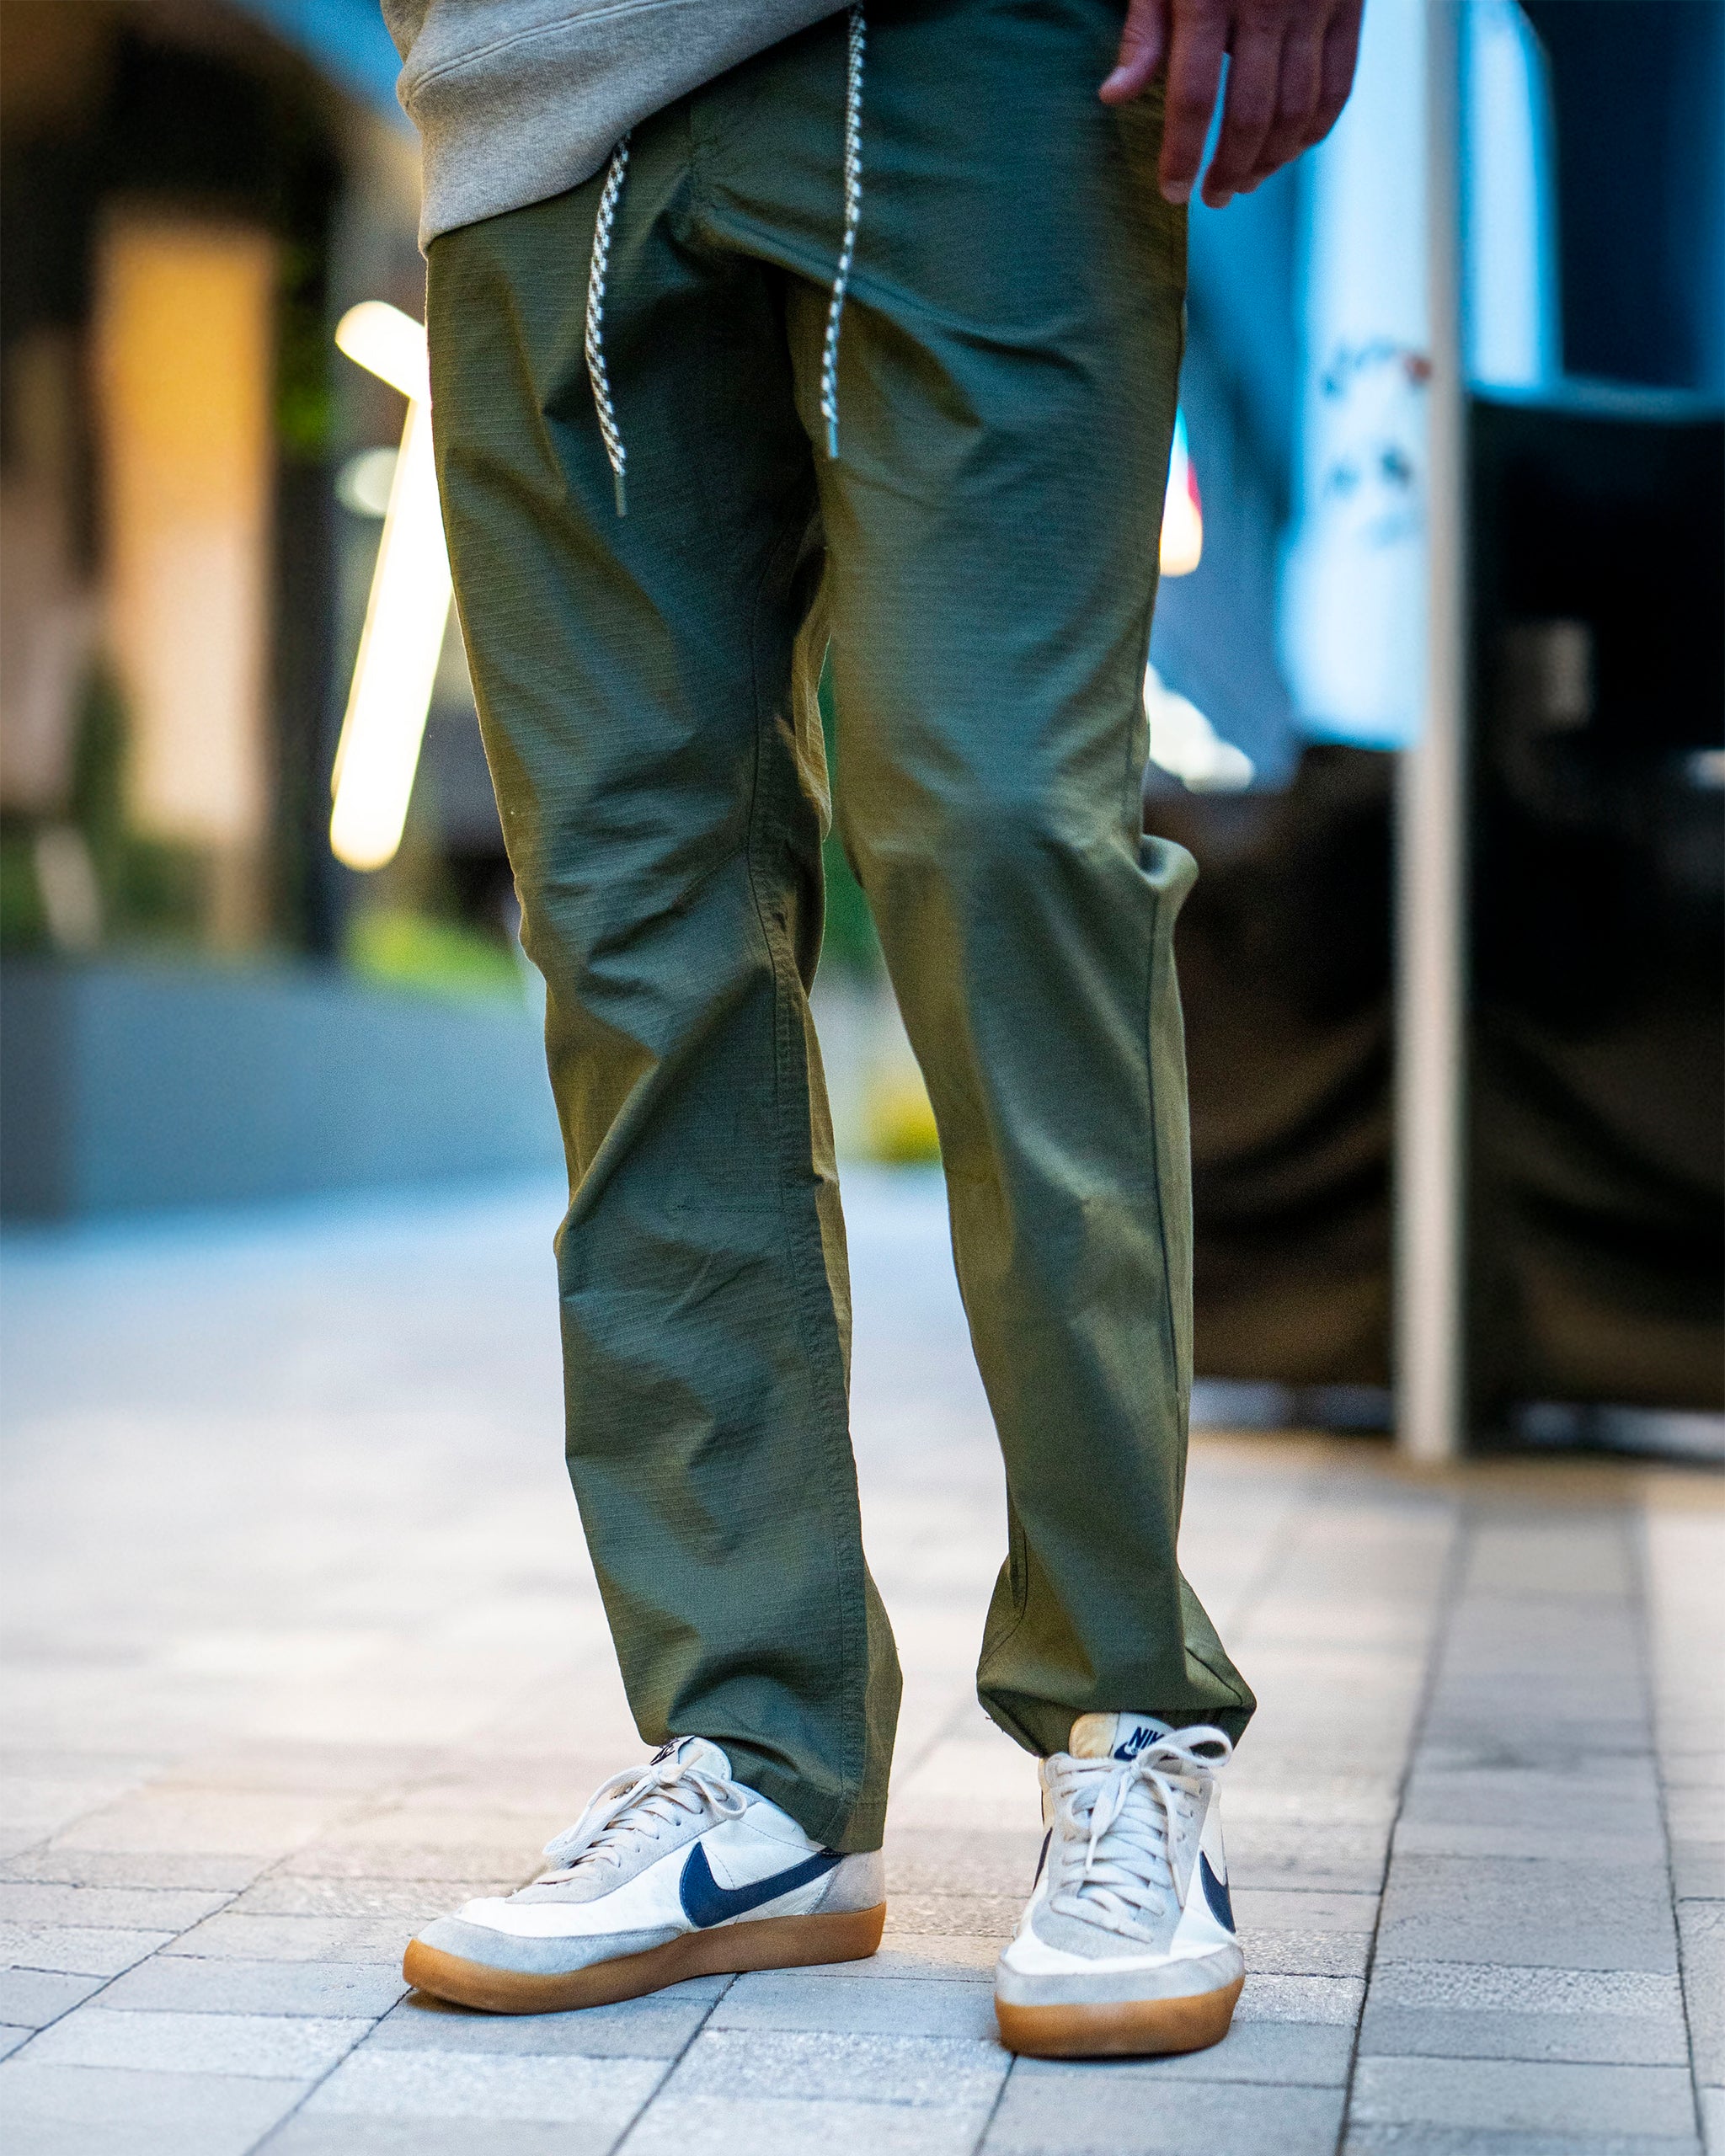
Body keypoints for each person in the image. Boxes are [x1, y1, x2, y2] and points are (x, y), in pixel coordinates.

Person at [387, 0, 1364, 2058]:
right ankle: (756, 1758)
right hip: (523, 87)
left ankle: (1126, 1715)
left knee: (1003, 833)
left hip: (987, 52)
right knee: (630, 931)